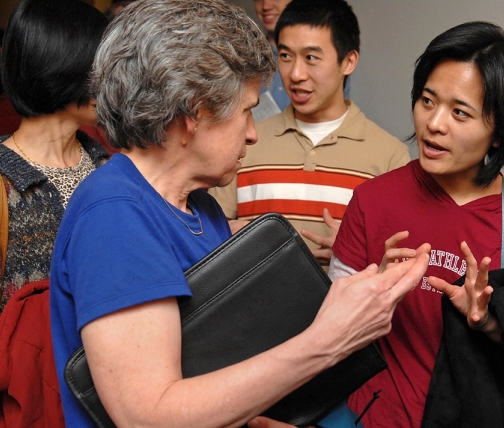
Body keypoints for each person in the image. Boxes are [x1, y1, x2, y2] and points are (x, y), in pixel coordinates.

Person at [48, 1, 429, 426]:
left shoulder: (200, 204)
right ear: (194, 111)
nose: (252, 133)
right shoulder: (115, 216)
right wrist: (327, 341)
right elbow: (150, 417)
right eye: (246, 110)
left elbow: (215, 369)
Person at [330, 21, 504, 427]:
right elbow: (329, 338)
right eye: (427, 101)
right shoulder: (373, 200)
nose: (434, 124)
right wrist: (373, 294)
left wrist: (492, 322)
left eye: (460, 112)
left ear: (500, 132)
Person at [211, 0, 410, 266]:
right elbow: (209, 237)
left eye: (311, 58)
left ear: (348, 61)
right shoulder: (244, 141)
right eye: (285, 56)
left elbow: (399, 261)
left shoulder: (390, 156)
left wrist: (355, 253)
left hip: (345, 307)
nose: (295, 74)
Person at [0, 0, 109, 312]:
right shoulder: (4, 182)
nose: (113, 80)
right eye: (100, 65)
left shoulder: (111, 168)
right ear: (63, 66)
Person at [252, 0, 350, 117]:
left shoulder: (334, 57)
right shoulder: (246, 57)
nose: (266, 6)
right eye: (285, 56)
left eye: (310, 57)